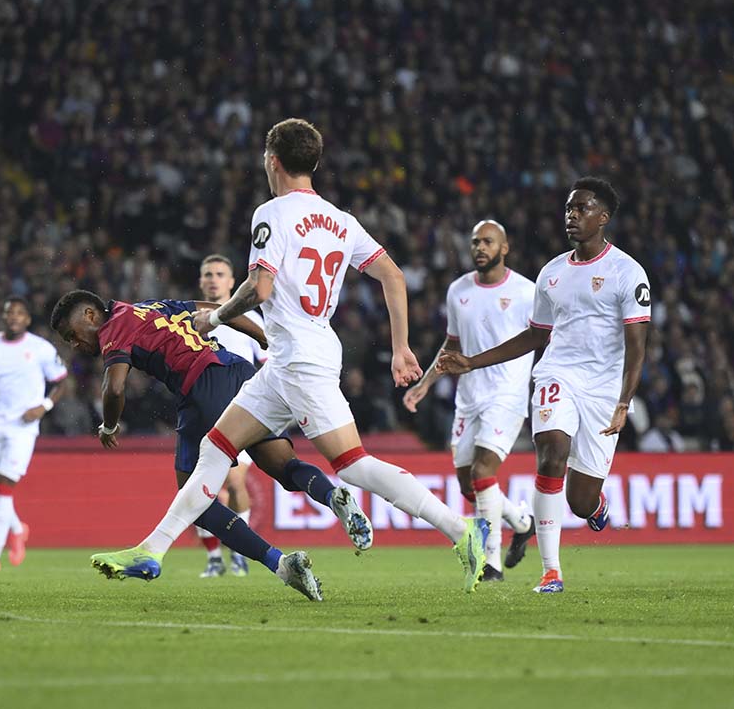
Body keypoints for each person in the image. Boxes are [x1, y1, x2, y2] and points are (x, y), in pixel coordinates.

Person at [88, 119, 489, 593]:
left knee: (355, 465)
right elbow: (393, 276)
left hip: (301, 359)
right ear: (313, 162)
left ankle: (461, 531)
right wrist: (400, 346)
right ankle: (151, 551)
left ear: (271, 160)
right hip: (289, 358)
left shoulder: (272, 213)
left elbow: (259, 287)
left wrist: (213, 319)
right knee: (215, 448)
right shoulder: (342, 220)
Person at [51, 290, 374, 601]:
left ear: (90, 315)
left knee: (192, 498)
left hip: (203, 386)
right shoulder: (149, 307)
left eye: (71, 335)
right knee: (283, 465)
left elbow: (115, 387)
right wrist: (263, 337)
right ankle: (333, 495)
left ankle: (277, 563)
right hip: (239, 371)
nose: (75, 345)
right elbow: (217, 310)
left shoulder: (113, 328)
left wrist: (109, 425)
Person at [438, 178, 651, 593]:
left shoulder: (627, 272)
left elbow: (637, 345)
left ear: (603, 218)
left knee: (580, 500)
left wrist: (625, 401)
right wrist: (471, 362)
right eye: (569, 209)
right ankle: (551, 572)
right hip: (558, 374)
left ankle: (596, 505)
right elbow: (536, 336)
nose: (572, 216)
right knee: (552, 451)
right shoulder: (552, 273)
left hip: (604, 390)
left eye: (582, 209)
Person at [403, 220, 537, 581]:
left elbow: (543, 339)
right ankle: (523, 523)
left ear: (504, 248)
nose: (479, 247)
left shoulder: (528, 292)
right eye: (476, 241)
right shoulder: (458, 290)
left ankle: (491, 563)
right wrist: (427, 383)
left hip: (506, 395)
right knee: (468, 485)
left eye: (488, 241)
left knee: (482, 473)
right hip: (469, 397)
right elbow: (452, 345)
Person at [0, 297, 69, 571]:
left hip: (22, 429)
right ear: (3, 317)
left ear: (27, 319)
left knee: (3, 486)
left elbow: (61, 382)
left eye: (20, 313)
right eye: (9, 312)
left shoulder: (41, 349)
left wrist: (43, 406)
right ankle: (17, 528)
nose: (14, 317)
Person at [192, 254, 266, 578]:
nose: (213, 279)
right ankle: (213, 557)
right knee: (204, 489)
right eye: (207, 274)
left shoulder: (251, 319)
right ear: (200, 281)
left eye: (220, 273)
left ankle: (238, 552)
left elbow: (268, 363)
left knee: (234, 483)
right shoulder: (188, 320)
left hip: (242, 414)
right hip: (201, 414)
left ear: (232, 282)